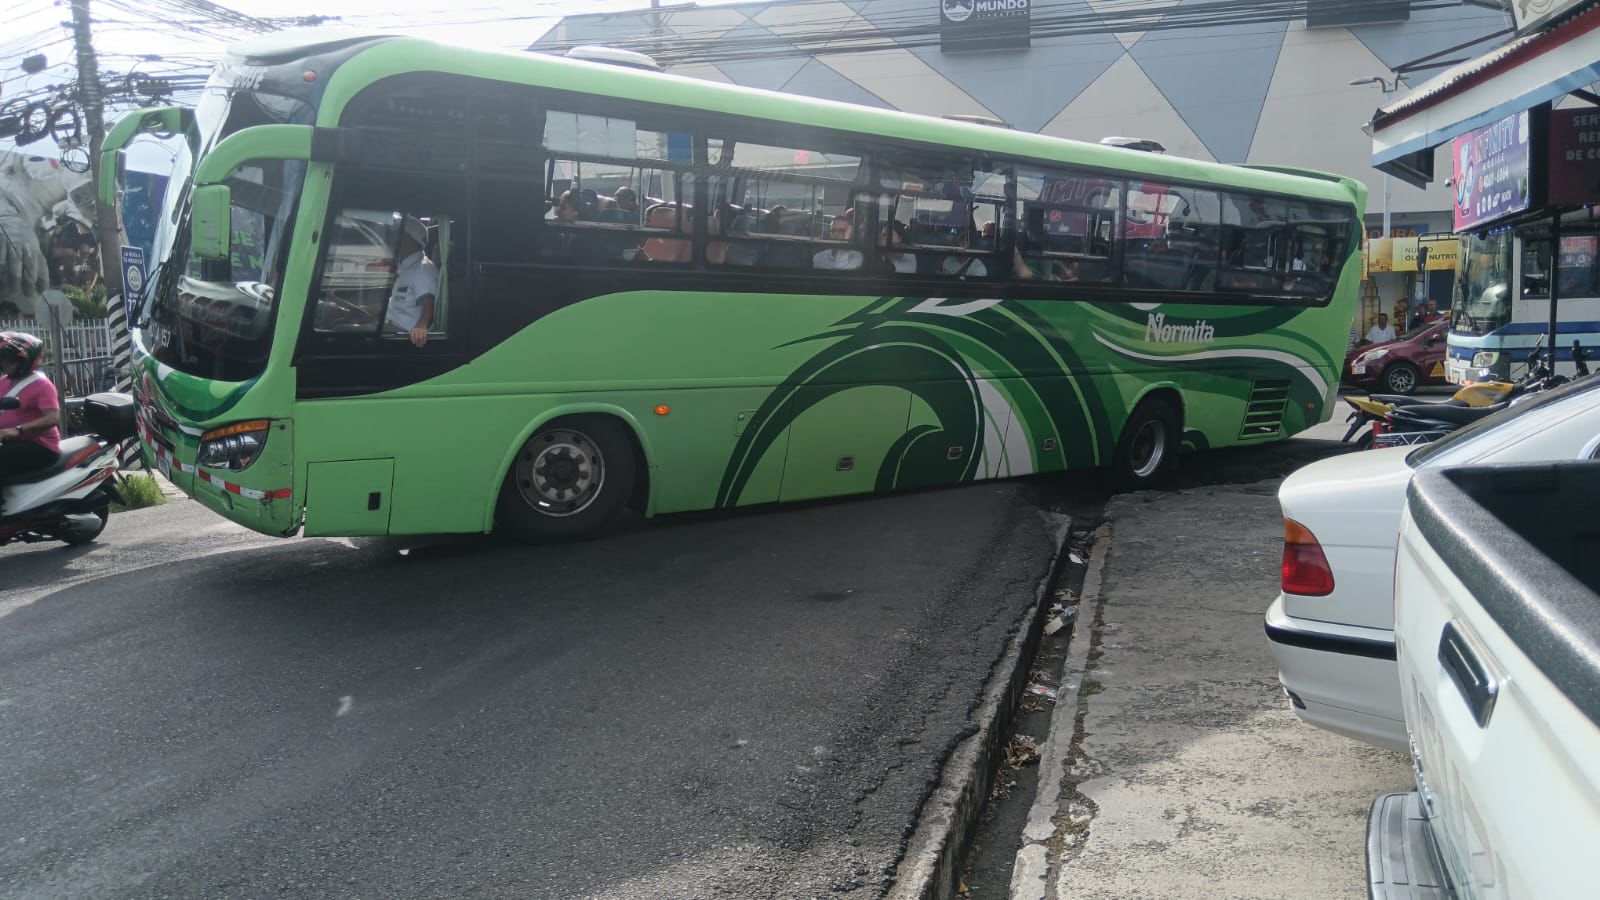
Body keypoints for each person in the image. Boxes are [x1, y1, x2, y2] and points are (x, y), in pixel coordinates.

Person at [0, 332, 62, 498]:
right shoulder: (3, 382)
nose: (3, 362)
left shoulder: (42, 385)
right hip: (11, 443)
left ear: (23, 360)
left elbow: (53, 417)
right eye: (1, 358)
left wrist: (17, 430)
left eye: (7, 358)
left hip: (40, 446)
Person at [384, 217, 437, 348]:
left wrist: (421, 327)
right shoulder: (405, 265)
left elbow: (429, 304)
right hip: (390, 324)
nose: (393, 238)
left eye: (398, 234)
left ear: (411, 239)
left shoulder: (423, 268)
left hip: (402, 332)